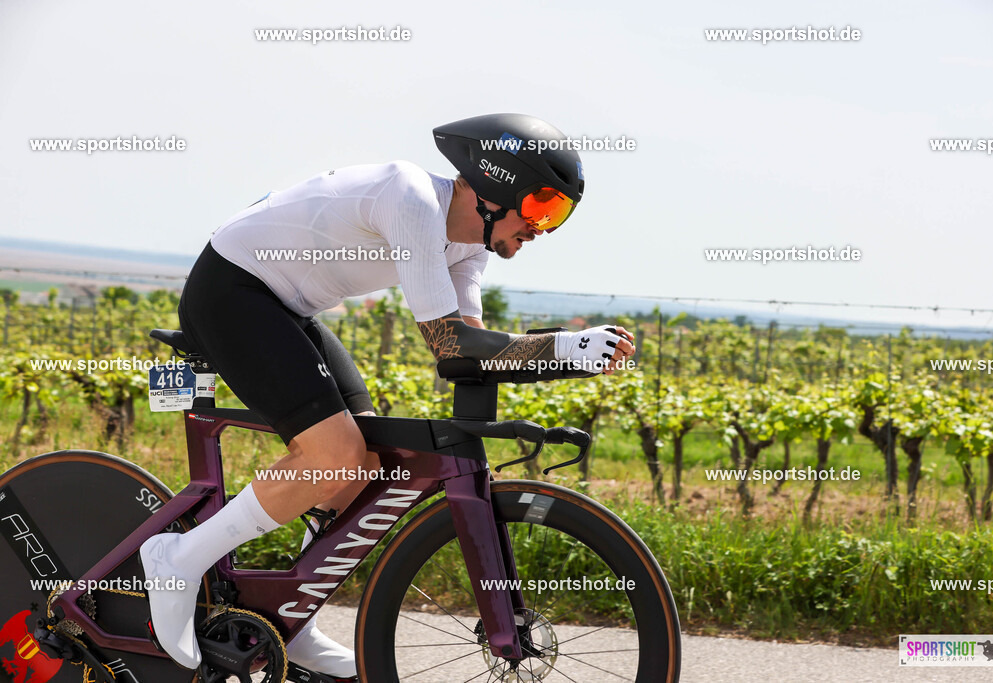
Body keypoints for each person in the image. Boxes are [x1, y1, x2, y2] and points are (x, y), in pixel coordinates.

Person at [139, 113, 635, 680]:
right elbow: (452, 345)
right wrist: (564, 347)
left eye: (559, 216)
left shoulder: (467, 249)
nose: (544, 228)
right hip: (232, 289)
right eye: (543, 208)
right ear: (498, 182)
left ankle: (286, 621)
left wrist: (566, 359)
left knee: (369, 465)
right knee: (333, 456)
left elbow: (470, 356)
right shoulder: (411, 198)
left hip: (286, 309)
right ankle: (178, 559)